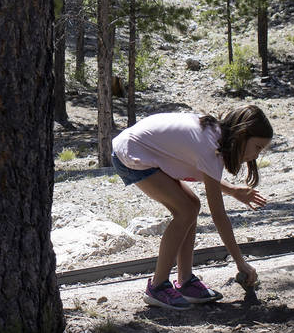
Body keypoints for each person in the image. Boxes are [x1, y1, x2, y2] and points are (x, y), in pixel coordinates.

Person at [111, 104, 273, 310]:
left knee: (191, 205)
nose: (257, 155)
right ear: (242, 134)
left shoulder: (214, 134)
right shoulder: (210, 146)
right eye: (258, 147)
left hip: (140, 149)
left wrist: (232, 190)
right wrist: (241, 263)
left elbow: (204, 173)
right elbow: (219, 216)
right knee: (185, 210)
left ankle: (185, 281)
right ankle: (157, 286)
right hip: (131, 154)